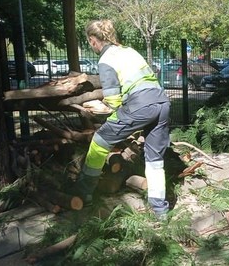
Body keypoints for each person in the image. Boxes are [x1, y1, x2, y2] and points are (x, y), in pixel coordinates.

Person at [73, 19, 171, 220]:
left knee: (99, 143)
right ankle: (160, 211)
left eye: (89, 42)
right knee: (154, 159)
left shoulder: (105, 59)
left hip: (140, 105)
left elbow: (113, 100)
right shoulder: (129, 50)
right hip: (161, 102)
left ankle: (84, 193)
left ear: (92, 40)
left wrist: (103, 111)